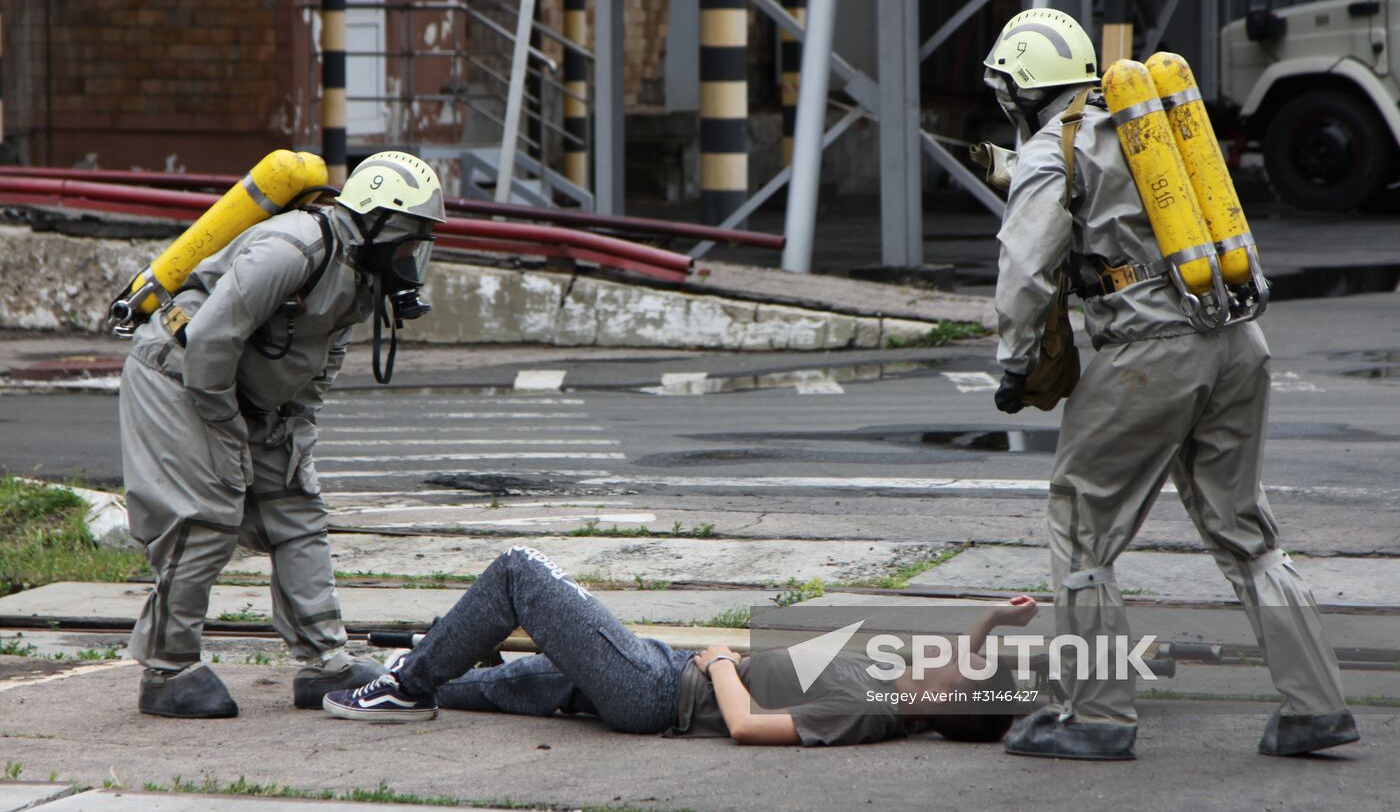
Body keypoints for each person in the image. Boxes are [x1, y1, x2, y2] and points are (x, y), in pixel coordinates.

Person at [984, 7, 1359, 759]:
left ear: (1022, 89)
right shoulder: (1144, 122)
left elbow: (1026, 271)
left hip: (1152, 351)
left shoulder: (1049, 153)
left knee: (1082, 523)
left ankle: (1097, 714)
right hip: (1235, 334)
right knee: (1245, 528)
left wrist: (1016, 361)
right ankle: (1316, 704)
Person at [120, 151, 446, 718]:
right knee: (205, 516)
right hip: (178, 375)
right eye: (406, 241)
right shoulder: (292, 248)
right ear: (375, 220)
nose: (409, 257)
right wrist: (226, 431)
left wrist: (293, 432)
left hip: (246, 393)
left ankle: (326, 662)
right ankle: (168, 672)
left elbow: (318, 365)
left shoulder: (360, 275)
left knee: (297, 509)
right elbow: (212, 342)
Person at [322, 545, 1035, 747]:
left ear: (949, 693)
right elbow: (968, 667)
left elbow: (752, 726)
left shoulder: (867, 710)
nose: (950, 652)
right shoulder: (897, 685)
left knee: (519, 571)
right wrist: (996, 621)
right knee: (478, 687)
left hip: (656, 689)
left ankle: (405, 684)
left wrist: (722, 661)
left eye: (959, 663)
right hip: (654, 670)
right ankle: (365, 679)